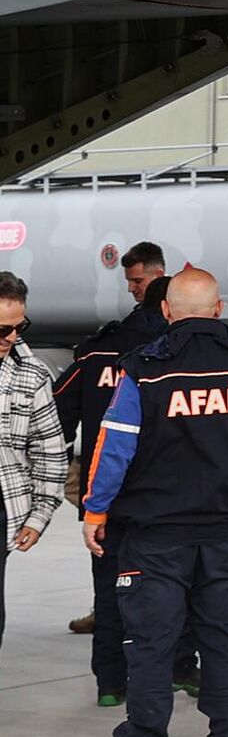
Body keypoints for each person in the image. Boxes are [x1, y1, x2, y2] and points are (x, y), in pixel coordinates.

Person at [81, 267, 228, 737]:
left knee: (150, 652)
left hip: (154, 537)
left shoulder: (145, 371)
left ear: (169, 312)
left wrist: (95, 511)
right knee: (224, 646)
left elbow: (114, 448)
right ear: (219, 307)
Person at [54, 262, 179, 697]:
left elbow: (57, 416)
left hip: (104, 493)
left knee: (109, 586)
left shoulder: (96, 351)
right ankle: (179, 669)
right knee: (172, 586)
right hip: (162, 494)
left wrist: (66, 474)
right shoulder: (172, 354)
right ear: (170, 308)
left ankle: (110, 683)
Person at [0, 276, 63, 652]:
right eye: (2, 329)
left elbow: (50, 449)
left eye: (19, 328)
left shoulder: (32, 374)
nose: (10, 338)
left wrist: (39, 516)